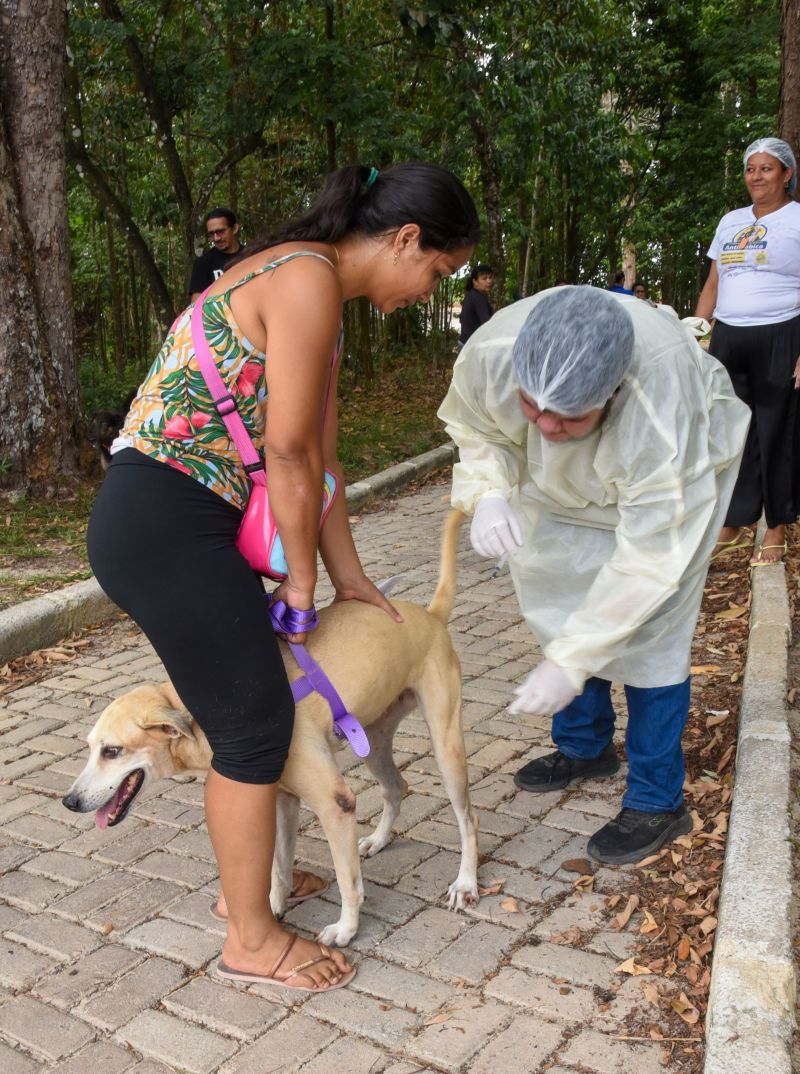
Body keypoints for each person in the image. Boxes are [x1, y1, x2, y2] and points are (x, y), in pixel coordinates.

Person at [88, 163, 479, 990]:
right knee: (252, 729)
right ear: (406, 239)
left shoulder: (310, 286)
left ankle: (255, 895)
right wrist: (300, 582)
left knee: (250, 716)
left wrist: (351, 580)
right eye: (437, 272)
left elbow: (323, 460)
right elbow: (289, 456)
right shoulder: (305, 280)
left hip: (178, 520)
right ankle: (251, 935)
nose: (428, 290)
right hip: (163, 520)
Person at [438, 286, 749, 864]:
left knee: (653, 634)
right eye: (534, 408)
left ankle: (658, 800)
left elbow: (651, 555)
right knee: (558, 603)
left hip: (667, 494)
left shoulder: (659, 398)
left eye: (570, 416)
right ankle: (584, 747)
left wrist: (571, 661)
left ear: (611, 393)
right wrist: (488, 492)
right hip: (557, 492)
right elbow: (479, 427)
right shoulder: (497, 351)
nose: (547, 428)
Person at [696, 136, 800, 566]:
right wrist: (697, 332)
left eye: (767, 168)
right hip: (729, 338)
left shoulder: (797, 219)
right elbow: (714, 284)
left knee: (778, 431)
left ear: (787, 174)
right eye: (750, 169)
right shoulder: (730, 221)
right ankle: (734, 523)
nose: (756, 176)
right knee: (732, 434)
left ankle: (775, 529)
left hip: (782, 334)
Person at [189, 208, 244, 301]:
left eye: (221, 232)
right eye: (211, 233)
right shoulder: (203, 264)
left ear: (234, 229)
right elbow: (196, 307)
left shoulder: (252, 255)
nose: (216, 238)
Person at [458, 263, 494, 347]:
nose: (489, 281)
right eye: (484, 279)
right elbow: (486, 323)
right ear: (475, 281)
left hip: (464, 341)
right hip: (471, 345)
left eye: (490, 277)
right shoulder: (478, 298)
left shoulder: (471, 294)